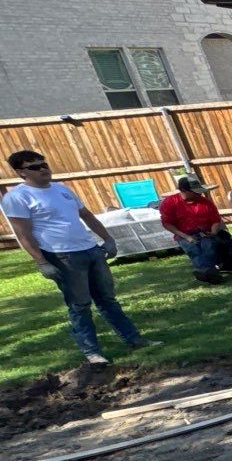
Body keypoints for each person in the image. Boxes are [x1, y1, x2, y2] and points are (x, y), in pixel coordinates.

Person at [3, 148, 153, 365]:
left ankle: (134, 339)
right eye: (34, 167)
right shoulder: (17, 197)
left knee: (108, 299)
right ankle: (92, 352)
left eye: (44, 163)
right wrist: (42, 262)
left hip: (90, 249)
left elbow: (87, 216)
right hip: (61, 256)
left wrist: (107, 239)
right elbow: (23, 234)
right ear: (21, 173)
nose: (43, 169)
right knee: (80, 305)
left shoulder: (61, 189)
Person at [157, 175, 232, 283]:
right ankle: (209, 271)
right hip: (184, 234)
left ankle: (205, 271)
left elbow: (215, 221)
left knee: (209, 245)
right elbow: (168, 224)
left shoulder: (205, 202)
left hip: (206, 232)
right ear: (184, 190)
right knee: (193, 249)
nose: (199, 194)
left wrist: (213, 233)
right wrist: (187, 237)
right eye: (195, 192)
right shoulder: (170, 203)